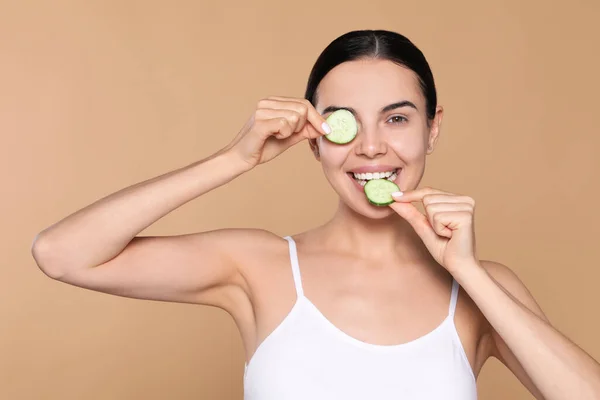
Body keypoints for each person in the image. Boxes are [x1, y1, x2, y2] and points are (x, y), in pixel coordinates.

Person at [31, 30, 600, 399]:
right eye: (346, 123)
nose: (371, 148)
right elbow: (61, 254)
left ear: (433, 128)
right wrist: (234, 158)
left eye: (398, 119)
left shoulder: (485, 288)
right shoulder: (257, 266)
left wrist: (469, 271)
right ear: (313, 139)